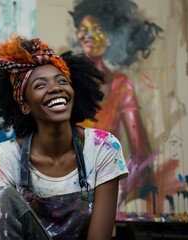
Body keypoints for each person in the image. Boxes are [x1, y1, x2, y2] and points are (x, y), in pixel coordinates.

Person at [0, 35, 129, 239]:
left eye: (61, 81)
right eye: (40, 85)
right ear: (24, 105)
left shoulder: (102, 147)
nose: (56, 88)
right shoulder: (6, 156)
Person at [69, 0, 162, 211]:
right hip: (65, 187)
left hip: (105, 190)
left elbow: (139, 151)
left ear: (109, 37)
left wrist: (122, 195)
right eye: (83, 29)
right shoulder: (66, 80)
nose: (88, 35)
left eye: (97, 29)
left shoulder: (121, 85)